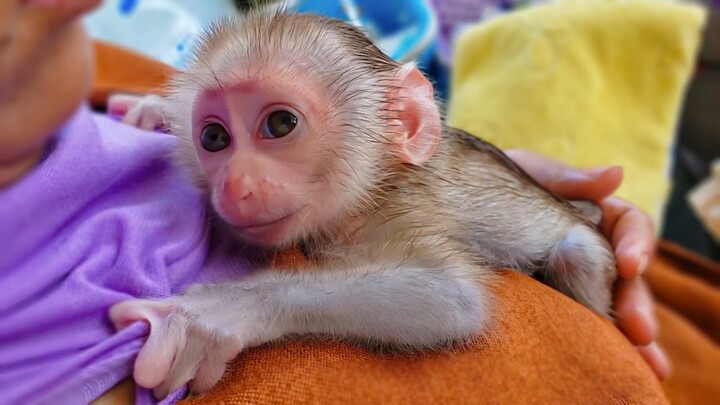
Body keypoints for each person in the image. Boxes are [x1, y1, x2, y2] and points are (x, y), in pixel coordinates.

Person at [0, 1, 668, 404]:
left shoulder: (381, 188)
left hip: (555, 243)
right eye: (214, 138)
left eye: (281, 125)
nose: (234, 186)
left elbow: (454, 303)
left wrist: (253, 305)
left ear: (403, 123)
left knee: (580, 251)